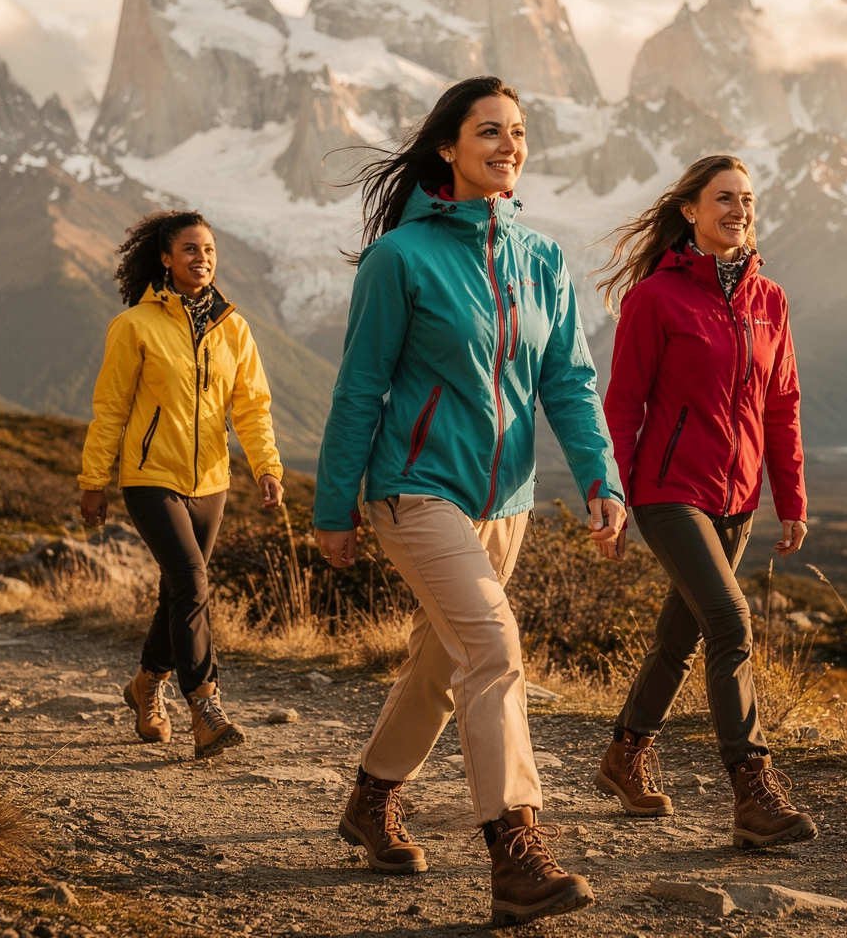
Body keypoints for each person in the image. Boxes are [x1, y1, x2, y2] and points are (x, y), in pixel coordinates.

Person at [314, 75, 625, 926]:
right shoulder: (400, 259)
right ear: (447, 147)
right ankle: (515, 850)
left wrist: (602, 479)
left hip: (508, 503)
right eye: (489, 131)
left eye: (519, 132)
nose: (509, 146)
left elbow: (568, 380)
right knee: (493, 648)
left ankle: (372, 798)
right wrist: (335, 506)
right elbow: (359, 389)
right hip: (416, 493)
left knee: (442, 663)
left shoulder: (543, 258)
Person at [590, 155, 818, 849]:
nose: (739, 210)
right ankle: (752, 789)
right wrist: (613, 494)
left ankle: (624, 754)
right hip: (668, 490)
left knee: (681, 635)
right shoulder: (656, 298)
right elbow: (624, 403)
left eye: (747, 199)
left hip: (739, 498)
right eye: (725, 198)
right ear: (690, 209)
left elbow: (783, 405)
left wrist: (792, 497)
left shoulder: (769, 299)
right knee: (730, 621)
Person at [78, 211, 284, 760]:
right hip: (150, 478)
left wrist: (267, 467)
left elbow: (252, 407)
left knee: (178, 591)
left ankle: (146, 685)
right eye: (190, 249)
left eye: (209, 249)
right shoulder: (135, 327)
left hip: (211, 482)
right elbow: (110, 411)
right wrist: (93, 480)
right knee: (192, 583)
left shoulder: (232, 327)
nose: (203, 259)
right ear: (165, 259)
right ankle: (204, 704)